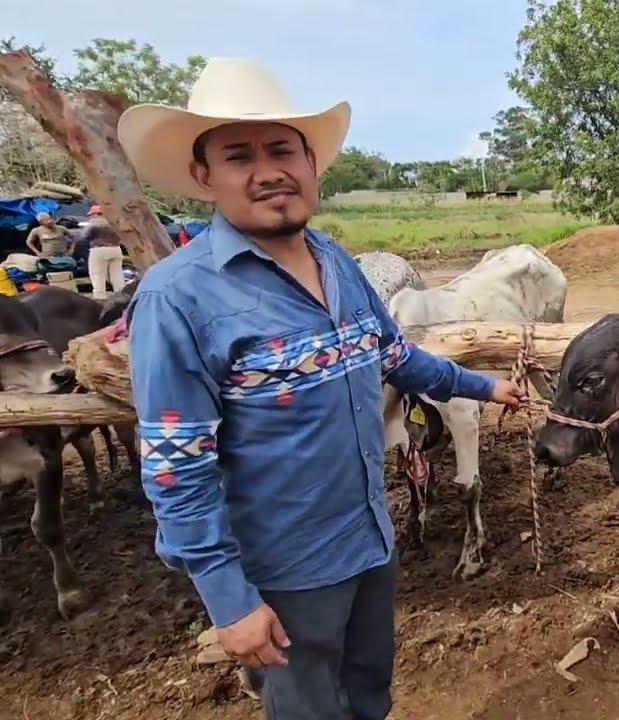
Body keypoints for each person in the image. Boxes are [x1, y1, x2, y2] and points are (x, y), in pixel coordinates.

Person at [117, 57, 527, 720]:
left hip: (369, 539)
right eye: (238, 155)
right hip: (285, 573)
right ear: (204, 177)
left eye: (282, 149)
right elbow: (174, 469)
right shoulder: (178, 297)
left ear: (310, 162)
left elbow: (396, 356)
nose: (268, 169)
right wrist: (230, 602)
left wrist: (483, 385)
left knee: (368, 693)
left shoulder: (334, 260)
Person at [84, 205, 127, 299]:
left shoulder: (94, 223)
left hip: (99, 250)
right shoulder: (115, 222)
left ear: (96, 214)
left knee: (97, 274)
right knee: (117, 274)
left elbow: (84, 235)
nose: (90, 217)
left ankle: (100, 296)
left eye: (92, 214)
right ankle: (121, 296)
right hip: (115, 248)